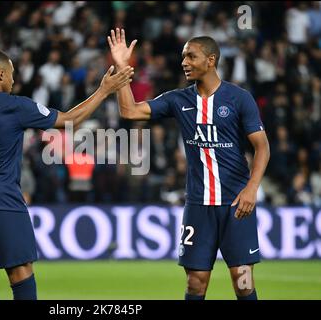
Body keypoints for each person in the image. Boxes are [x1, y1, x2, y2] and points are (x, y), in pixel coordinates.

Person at [0, 48, 133, 300]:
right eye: (12, 74)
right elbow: (70, 120)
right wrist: (104, 90)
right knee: (21, 275)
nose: (14, 80)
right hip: (3, 201)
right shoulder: (15, 107)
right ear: (1, 74)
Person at [107, 28, 270, 300]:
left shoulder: (239, 98)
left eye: (191, 56)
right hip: (197, 205)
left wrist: (252, 189)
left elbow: (262, 146)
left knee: (242, 281)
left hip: (235, 204)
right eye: (183, 57)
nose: (184, 62)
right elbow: (129, 111)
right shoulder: (178, 99)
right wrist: (123, 68)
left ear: (211, 60)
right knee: (195, 283)